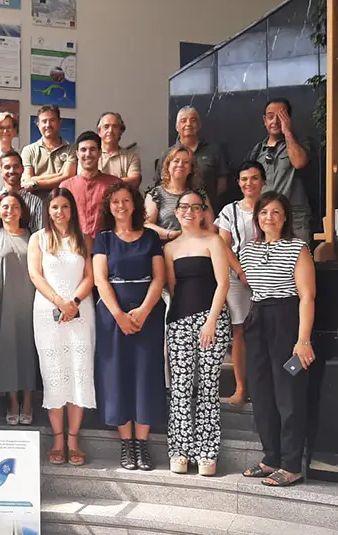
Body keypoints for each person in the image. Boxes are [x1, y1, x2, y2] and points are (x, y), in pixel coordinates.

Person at [238, 192, 316, 487]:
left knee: (288, 393)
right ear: (256, 218)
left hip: (287, 319)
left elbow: (307, 296)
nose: (269, 217)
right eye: (263, 212)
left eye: (275, 212)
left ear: (285, 218)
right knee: (261, 392)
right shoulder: (248, 250)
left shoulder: (298, 248)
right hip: (258, 318)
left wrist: (303, 340)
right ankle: (271, 458)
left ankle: (291, 465)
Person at [92, 183, 165, 471]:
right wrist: (119, 316)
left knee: (146, 374)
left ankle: (142, 444)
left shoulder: (150, 237)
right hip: (113, 314)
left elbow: (159, 278)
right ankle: (126, 443)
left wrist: (144, 310)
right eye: (115, 202)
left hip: (148, 313)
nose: (121, 206)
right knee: (117, 375)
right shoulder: (103, 239)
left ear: (135, 204)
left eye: (125, 200)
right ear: (108, 207)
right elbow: (100, 279)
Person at [163, 191, 231, 476]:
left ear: (204, 212)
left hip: (212, 321)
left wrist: (211, 320)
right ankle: (180, 451)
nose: (189, 212)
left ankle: (207, 452)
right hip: (179, 321)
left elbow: (223, 283)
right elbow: (172, 287)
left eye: (195, 207)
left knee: (208, 388)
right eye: (184, 207)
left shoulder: (214, 241)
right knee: (180, 388)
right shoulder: (169, 248)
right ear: (176, 212)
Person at [28, 187, 96, 466]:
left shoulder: (84, 238)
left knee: (79, 372)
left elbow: (90, 276)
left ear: (72, 210)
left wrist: (74, 302)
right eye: (54, 207)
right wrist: (59, 302)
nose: (59, 212)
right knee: (54, 374)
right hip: (48, 312)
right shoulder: (38, 238)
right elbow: (35, 275)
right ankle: (57, 440)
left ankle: (73, 440)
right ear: (48, 210)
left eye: (65, 206)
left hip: (81, 312)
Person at [0, 192, 38, 426]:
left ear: (22, 211)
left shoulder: (34, 236)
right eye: (5, 207)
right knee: (7, 351)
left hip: (32, 302)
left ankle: (29, 401)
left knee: (30, 351)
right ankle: (13, 401)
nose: (9, 211)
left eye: (14, 207)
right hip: (3, 302)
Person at [215, 160, 266, 407]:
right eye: (244, 179)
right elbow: (223, 245)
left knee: (265, 330)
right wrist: (241, 271)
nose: (249, 183)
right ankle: (241, 387)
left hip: (267, 275)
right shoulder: (229, 211)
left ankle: (262, 387)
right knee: (240, 331)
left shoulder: (271, 206)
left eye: (255, 178)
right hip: (236, 278)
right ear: (238, 182)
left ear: (263, 181)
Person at [248, 98, 313, 244]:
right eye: (270, 116)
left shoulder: (299, 143)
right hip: (267, 218)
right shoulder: (258, 150)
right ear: (264, 120)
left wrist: (287, 131)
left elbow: (299, 162)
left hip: (294, 217)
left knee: (297, 256)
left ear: (288, 118)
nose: (275, 121)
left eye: (281, 116)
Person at [145, 144, 212, 241]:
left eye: (186, 162)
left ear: (191, 168)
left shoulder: (200, 195)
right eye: (176, 161)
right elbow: (147, 225)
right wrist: (171, 234)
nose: (180, 165)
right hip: (165, 245)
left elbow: (210, 227)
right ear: (168, 166)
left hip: (196, 244)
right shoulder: (156, 194)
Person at [61, 131, 120, 238]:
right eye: (83, 150)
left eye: (92, 149)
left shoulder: (115, 184)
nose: (88, 154)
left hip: (107, 243)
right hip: (74, 243)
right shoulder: (65, 187)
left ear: (100, 153)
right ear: (77, 154)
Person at [174, 106, 227, 209]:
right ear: (177, 127)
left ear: (199, 125)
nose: (188, 124)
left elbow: (222, 184)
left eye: (193, 120)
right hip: (176, 211)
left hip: (208, 209)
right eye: (183, 121)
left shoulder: (214, 151)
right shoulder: (168, 154)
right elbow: (162, 185)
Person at [21, 105, 77, 203]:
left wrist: (36, 183)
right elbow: (27, 180)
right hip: (35, 204)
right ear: (38, 125)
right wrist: (60, 175)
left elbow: (68, 178)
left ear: (59, 123)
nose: (48, 125)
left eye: (52, 120)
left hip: (62, 204)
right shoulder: (28, 150)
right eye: (44, 121)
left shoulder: (72, 149)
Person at [0, 151, 44, 237]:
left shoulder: (35, 201)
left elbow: (39, 235)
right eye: (7, 167)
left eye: (16, 166)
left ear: (22, 169)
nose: (12, 171)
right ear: (1, 171)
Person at [97, 112, 141, 190]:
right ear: (99, 131)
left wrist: (102, 183)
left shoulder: (131, 157)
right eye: (106, 126)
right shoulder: (90, 154)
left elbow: (135, 180)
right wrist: (120, 181)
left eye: (115, 126)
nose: (110, 130)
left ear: (120, 132)